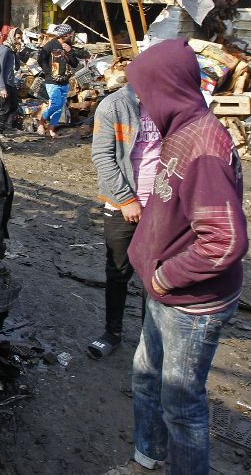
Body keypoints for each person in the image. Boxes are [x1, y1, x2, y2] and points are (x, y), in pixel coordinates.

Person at [124, 38, 248, 475]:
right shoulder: (182, 130)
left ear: (166, 89)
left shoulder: (204, 150)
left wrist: (164, 277)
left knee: (182, 403)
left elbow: (223, 241)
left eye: (144, 95)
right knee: (145, 374)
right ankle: (148, 454)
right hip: (166, 292)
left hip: (191, 302)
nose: (141, 106)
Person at [87, 77, 160, 359]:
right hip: (123, 206)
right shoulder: (114, 106)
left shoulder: (171, 104)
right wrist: (127, 200)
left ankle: (149, 337)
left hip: (161, 207)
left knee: (153, 276)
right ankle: (112, 332)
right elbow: (102, 156)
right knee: (118, 271)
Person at [37, 23, 82, 138]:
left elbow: (74, 63)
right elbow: (41, 59)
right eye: (69, 34)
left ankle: (51, 129)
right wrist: (49, 72)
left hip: (64, 81)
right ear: (63, 35)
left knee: (59, 107)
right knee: (56, 104)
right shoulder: (50, 45)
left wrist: (70, 51)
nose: (71, 36)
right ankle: (41, 122)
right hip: (52, 82)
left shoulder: (68, 45)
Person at [0, 26, 22, 134]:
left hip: (11, 82)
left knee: (14, 105)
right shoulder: (5, 49)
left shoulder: (12, 50)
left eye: (20, 38)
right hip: (4, 83)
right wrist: (2, 88)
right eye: (18, 38)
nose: (19, 41)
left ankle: (6, 126)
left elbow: (17, 67)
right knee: (4, 108)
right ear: (12, 36)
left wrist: (17, 53)